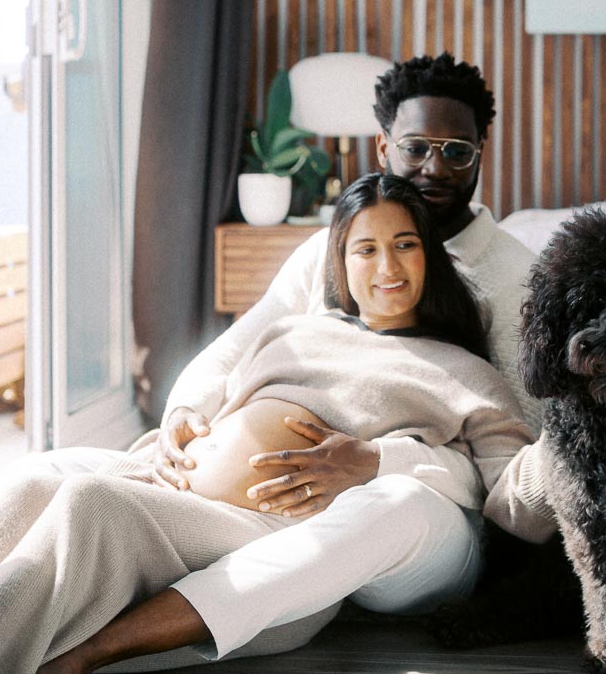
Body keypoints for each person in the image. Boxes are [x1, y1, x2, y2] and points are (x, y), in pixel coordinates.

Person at [0, 174, 550, 674]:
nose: (386, 265)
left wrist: (381, 460)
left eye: (405, 245)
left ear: (430, 257)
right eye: (365, 249)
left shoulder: (465, 374)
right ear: (341, 261)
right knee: (35, 478)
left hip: (268, 527)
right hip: (172, 482)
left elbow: (509, 499)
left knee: (91, 506)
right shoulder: (296, 331)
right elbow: (217, 383)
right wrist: (180, 424)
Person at [155, 53, 548, 520]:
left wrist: (379, 461)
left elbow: (516, 451)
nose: (436, 169)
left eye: (457, 151)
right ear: (384, 149)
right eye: (416, 148)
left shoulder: (519, 279)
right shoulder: (328, 248)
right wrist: (184, 410)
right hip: (265, 494)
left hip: (408, 506)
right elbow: (233, 349)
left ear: (480, 150)